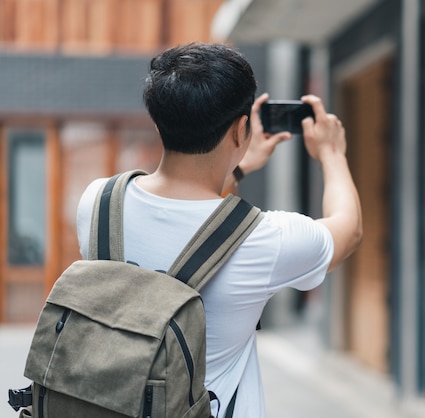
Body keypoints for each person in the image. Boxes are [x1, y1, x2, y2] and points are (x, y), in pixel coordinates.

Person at [75, 42, 362, 417]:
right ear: (241, 129)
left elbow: (184, 212)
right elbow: (348, 229)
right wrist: (332, 153)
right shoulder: (263, 239)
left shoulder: (98, 202)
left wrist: (237, 164)